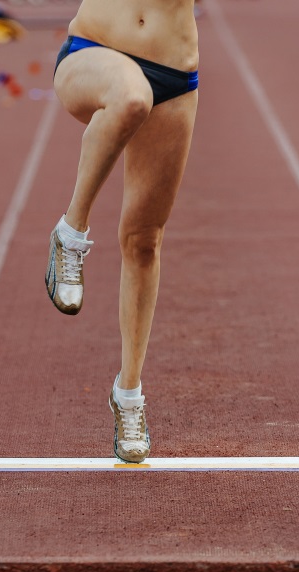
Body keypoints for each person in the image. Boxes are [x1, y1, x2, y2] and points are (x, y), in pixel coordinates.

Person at [45, 0, 199, 463]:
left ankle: (128, 395)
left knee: (144, 241)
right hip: (94, 51)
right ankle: (70, 232)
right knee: (132, 97)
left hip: (174, 73)